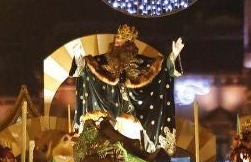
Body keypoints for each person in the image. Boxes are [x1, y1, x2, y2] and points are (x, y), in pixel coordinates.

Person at [71, 24, 184, 153]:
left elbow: (162, 68)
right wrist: (79, 58)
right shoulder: (102, 62)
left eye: (121, 41)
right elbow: (86, 68)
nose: (117, 42)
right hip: (109, 122)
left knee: (133, 154)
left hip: (134, 123)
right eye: (116, 40)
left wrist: (173, 57)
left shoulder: (143, 63)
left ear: (129, 45)